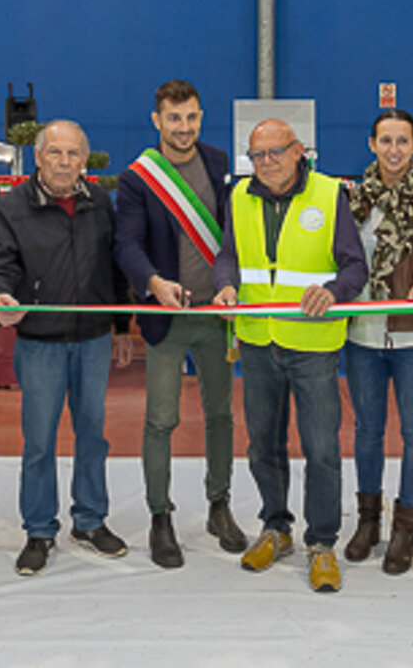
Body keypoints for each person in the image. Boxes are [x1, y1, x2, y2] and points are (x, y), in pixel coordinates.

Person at [212, 118, 367, 593]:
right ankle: (276, 528)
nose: (266, 162)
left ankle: (321, 543)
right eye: (257, 155)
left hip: (313, 344)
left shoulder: (329, 194)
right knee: (263, 444)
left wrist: (334, 290)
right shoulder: (239, 196)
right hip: (258, 340)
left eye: (276, 152)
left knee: (321, 448)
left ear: (299, 150)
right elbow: (228, 255)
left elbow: (355, 266)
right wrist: (225, 285)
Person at [0, 119, 134, 576]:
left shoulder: (100, 202)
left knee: (93, 436)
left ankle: (90, 521)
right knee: (40, 442)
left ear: (84, 159)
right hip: (39, 344)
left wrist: (121, 325)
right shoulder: (12, 208)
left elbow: (115, 268)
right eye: (55, 153)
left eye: (73, 154)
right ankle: (40, 530)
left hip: (93, 341)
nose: (64, 162)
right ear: (39, 156)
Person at [114, 79, 245, 569]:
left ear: (201, 116)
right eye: (174, 118)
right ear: (157, 120)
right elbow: (127, 244)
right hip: (167, 316)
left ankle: (219, 505)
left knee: (220, 416)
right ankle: (160, 516)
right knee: (161, 419)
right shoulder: (138, 178)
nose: (183, 127)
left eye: (191, 117)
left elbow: (230, 233)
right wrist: (152, 282)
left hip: (214, 314)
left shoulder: (217, 161)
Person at [343, 109, 413, 575]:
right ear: (372, 144)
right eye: (385, 140)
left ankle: (405, 528)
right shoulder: (353, 200)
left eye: (402, 141)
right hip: (362, 334)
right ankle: (368, 521)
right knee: (367, 430)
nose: (393, 150)